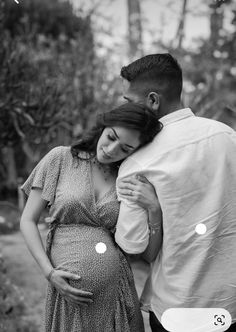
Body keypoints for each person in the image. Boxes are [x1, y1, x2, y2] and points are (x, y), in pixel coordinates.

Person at [114, 53, 236, 332]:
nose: (127, 109)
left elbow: (133, 245)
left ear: (153, 100)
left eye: (130, 101)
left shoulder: (138, 161)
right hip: (230, 303)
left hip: (176, 308)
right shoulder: (228, 136)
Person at [20, 102, 163, 332]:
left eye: (125, 148)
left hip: (117, 297)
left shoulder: (128, 178)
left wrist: (154, 209)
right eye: (111, 136)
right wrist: (50, 273)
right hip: (68, 299)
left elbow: (148, 254)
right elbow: (27, 221)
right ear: (104, 125)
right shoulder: (61, 158)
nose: (111, 149)